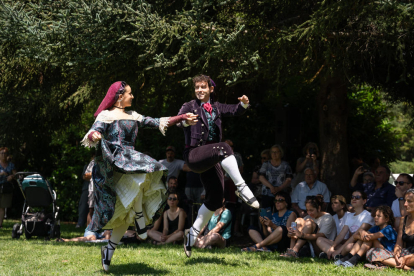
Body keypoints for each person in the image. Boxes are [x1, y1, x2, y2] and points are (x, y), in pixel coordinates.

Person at [81, 81, 197, 272]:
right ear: (120, 97)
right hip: (113, 165)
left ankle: (109, 250)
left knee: (128, 211)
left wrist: (182, 117)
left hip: (129, 160)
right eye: (130, 93)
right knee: (139, 180)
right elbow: (94, 132)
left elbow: (157, 121)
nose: (132, 96)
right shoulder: (106, 115)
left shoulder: (133, 116)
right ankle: (140, 219)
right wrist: (94, 136)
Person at [176, 74, 258, 258]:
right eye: (197, 87)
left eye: (203, 87)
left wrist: (244, 103)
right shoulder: (189, 105)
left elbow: (235, 110)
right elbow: (178, 120)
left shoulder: (217, 107)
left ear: (210, 89)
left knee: (214, 200)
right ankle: (242, 187)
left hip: (212, 158)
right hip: (194, 155)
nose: (199, 90)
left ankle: (192, 235)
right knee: (225, 147)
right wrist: (184, 121)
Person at [367, 188, 414, 270]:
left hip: (411, 256)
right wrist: (397, 253)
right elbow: (399, 243)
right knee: (372, 252)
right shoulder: (404, 219)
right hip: (405, 253)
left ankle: (388, 263)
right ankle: (407, 268)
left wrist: (405, 258)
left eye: (409, 201)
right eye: (405, 201)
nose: (405, 204)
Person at [330, 191, 375, 262]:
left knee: (348, 246)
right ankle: (333, 253)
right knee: (321, 240)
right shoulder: (350, 216)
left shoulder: (368, 216)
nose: (354, 199)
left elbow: (355, 235)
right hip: (352, 243)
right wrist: (332, 247)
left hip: (363, 245)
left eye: (357, 197)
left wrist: (338, 250)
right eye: (352, 197)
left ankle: (338, 255)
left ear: (364, 201)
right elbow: (342, 233)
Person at [0, 147, 16, 229]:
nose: (3, 155)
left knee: (2, 206)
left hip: (6, 187)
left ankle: (0, 225)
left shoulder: (11, 165)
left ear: (7, 155)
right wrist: (1, 174)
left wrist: (12, 177)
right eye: (1, 153)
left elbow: (16, 175)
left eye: (4, 153)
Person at [76, 156, 95, 228]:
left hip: (101, 189)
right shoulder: (90, 164)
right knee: (86, 207)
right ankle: (81, 224)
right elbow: (85, 176)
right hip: (88, 188)